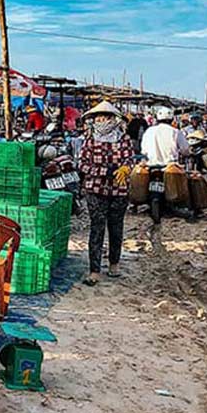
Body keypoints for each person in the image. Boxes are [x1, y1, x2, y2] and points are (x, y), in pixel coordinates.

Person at [78, 101, 134, 286]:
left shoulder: (123, 139)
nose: (102, 120)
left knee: (116, 228)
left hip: (119, 191)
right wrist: (104, 172)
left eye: (106, 117)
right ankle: (94, 271)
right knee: (97, 228)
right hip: (95, 190)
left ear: (114, 119)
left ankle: (114, 264)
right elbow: (83, 165)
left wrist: (125, 168)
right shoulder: (89, 139)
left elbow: (130, 160)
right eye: (99, 117)